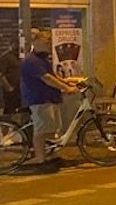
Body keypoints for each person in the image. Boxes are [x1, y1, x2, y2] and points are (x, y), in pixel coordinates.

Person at [20, 30, 79, 173]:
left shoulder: (42, 59)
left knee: (52, 129)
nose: (48, 44)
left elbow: (53, 76)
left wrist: (68, 82)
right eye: (45, 42)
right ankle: (41, 160)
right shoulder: (31, 60)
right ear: (35, 43)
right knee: (41, 130)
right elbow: (47, 78)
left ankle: (52, 156)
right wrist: (66, 88)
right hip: (39, 98)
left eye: (49, 42)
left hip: (49, 98)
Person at [0, 40, 21, 115]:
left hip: (19, 88)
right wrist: (8, 87)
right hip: (11, 89)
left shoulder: (20, 57)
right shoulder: (6, 57)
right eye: (15, 44)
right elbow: (1, 74)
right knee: (10, 109)